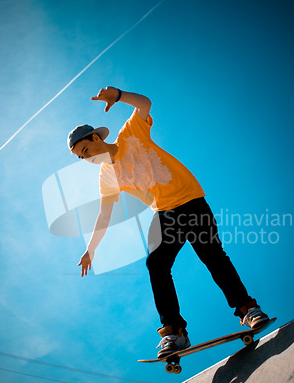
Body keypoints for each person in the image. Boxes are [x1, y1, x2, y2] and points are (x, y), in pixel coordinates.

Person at [67, 86, 269, 358]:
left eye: (86, 149)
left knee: (212, 255)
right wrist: (90, 249)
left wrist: (118, 96)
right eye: (82, 157)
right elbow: (105, 215)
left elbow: (145, 104)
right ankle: (174, 332)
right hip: (165, 213)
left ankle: (248, 310)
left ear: (95, 137)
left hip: (192, 201)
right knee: (156, 263)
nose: (88, 158)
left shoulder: (130, 135)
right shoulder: (106, 176)